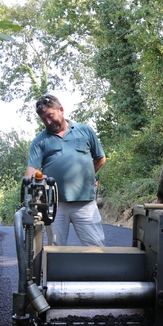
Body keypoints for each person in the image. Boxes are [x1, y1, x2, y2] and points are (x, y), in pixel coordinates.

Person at [25, 94, 107, 246]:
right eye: (44, 119)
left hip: (85, 203)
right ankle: (54, 271)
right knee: (55, 249)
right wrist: (30, 198)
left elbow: (100, 158)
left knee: (95, 247)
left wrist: (86, 177)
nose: (48, 122)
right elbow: (31, 171)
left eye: (51, 116)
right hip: (54, 204)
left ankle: (96, 271)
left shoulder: (85, 131)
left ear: (61, 110)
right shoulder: (39, 141)